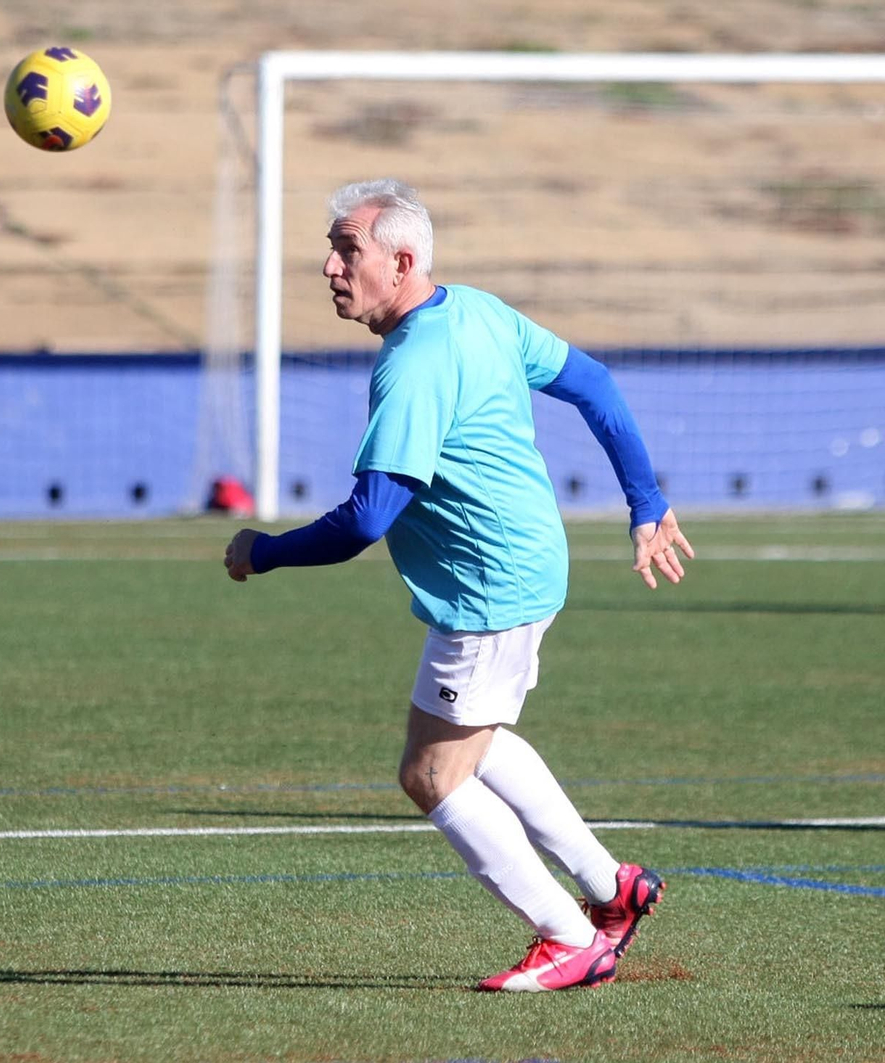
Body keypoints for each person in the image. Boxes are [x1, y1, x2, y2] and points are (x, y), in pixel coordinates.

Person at [223, 179, 694, 993]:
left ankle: (569, 937)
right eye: (332, 250)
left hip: (487, 592)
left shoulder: (416, 362)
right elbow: (596, 384)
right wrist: (645, 500)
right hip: (526, 566)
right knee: (474, 736)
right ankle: (611, 885)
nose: (330, 267)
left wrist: (262, 552)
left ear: (402, 262)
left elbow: (367, 519)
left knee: (433, 774)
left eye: (347, 250)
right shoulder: (476, 310)